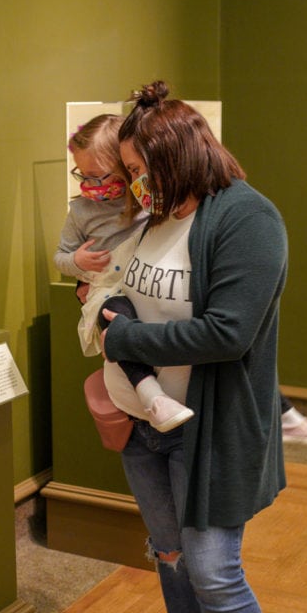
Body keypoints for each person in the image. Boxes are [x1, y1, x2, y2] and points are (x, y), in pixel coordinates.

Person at [100, 81, 287, 613]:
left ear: (177, 157)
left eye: (139, 168)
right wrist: (112, 306)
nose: (131, 183)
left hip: (210, 432)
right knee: (170, 554)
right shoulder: (151, 215)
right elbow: (125, 286)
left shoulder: (247, 219)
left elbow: (226, 332)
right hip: (148, 427)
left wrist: (122, 335)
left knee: (213, 570)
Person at [54, 114, 193, 432]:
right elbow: (60, 256)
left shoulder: (146, 200)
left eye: (98, 176)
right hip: (109, 290)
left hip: (152, 286)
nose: (89, 185)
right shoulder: (80, 211)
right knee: (116, 324)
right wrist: (77, 263)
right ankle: (152, 396)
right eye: (82, 175)